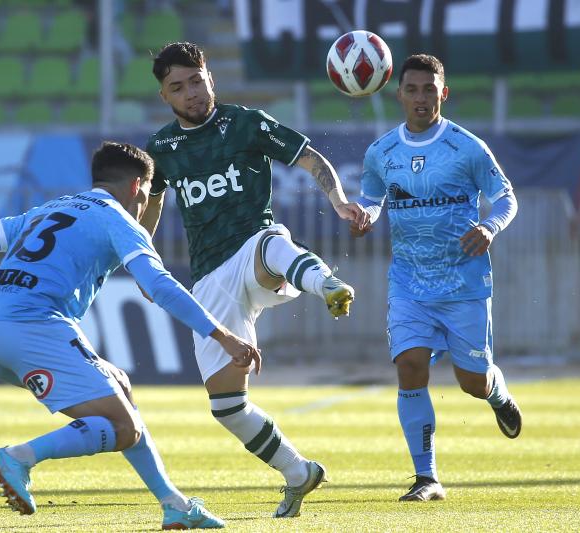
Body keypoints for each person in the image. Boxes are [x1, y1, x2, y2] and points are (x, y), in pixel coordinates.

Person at [0, 141, 261, 529]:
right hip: (35, 326)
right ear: (137, 188)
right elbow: (161, 286)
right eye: (147, 196)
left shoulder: (49, 209)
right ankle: (19, 457)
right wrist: (223, 336)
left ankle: (174, 505)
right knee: (122, 427)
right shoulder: (115, 217)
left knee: (119, 388)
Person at [141, 42, 370, 518]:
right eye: (177, 87)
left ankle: (327, 283)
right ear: (165, 96)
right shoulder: (161, 147)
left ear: (210, 78)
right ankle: (298, 472)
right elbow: (154, 199)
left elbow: (309, 158)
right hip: (208, 281)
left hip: (252, 250)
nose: (191, 94)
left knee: (270, 242)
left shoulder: (245, 122)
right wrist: (145, 254)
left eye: (197, 81)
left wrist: (338, 199)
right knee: (227, 408)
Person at [352, 54, 523, 502]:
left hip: (463, 284)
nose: (421, 98)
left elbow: (506, 199)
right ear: (399, 95)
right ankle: (426, 477)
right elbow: (372, 200)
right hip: (409, 283)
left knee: (471, 381)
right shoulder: (381, 152)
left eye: (430, 89)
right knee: (409, 367)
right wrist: (365, 217)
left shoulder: (468, 147)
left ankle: (495, 390)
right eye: (413, 89)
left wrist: (489, 227)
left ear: (443, 93)